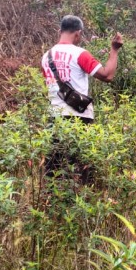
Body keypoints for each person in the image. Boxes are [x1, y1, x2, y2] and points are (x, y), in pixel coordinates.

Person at [40, 14, 123, 179]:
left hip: (53, 118)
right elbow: (107, 75)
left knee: (53, 170)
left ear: (60, 30)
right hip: (79, 118)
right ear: (78, 33)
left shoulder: (46, 56)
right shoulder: (80, 54)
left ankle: (52, 202)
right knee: (80, 168)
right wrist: (114, 50)